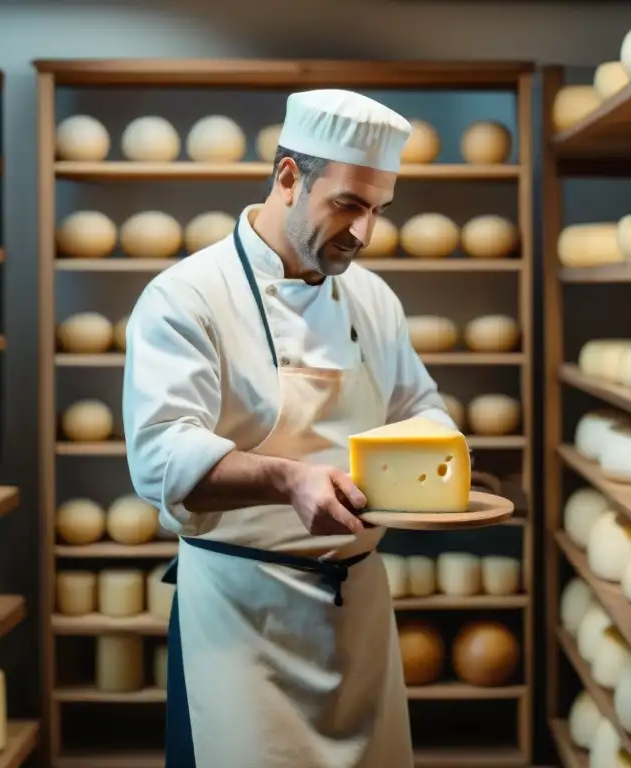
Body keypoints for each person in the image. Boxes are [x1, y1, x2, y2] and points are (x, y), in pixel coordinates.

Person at [122, 89, 457, 768]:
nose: (365, 233)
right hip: (243, 621)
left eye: (378, 211)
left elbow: (420, 407)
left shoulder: (372, 298)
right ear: (288, 178)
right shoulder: (187, 296)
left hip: (357, 612)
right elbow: (159, 454)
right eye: (349, 205)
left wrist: (438, 454)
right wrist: (288, 480)